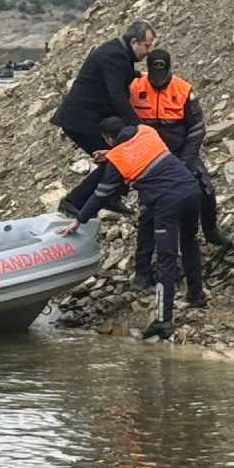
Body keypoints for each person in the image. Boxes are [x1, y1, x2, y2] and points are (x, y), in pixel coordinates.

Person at [59, 118, 205, 339]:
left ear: (109, 139)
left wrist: (79, 219)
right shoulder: (147, 131)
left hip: (167, 202)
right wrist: (110, 154)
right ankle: (196, 295)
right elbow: (137, 149)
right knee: (189, 242)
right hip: (191, 190)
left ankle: (164, 321)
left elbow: (101, 194)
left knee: (166, 258)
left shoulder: (117, 159)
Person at [128, 50, 229, 288]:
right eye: (154, 74)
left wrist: (185, 161)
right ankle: (142, 270)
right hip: (150, 158)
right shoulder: (135, 88)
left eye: (162, 74)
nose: (158, 79)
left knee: (205, 190)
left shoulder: (183, 90)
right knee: (148, 211)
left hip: (181, 151)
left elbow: (197, 128)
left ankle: (211, 231)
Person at [51, 21, 157, 215]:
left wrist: (139, 75)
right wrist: (138, 128)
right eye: (147, 45)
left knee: (118, 155)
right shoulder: (114, 55)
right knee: (116, 158)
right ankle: (72, 201)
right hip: (80, 119)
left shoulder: (120, 53)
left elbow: (118, 74)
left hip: (90, 117)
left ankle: (110, 196)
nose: (149, 51)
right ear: (134, 42)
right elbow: (116, 94)